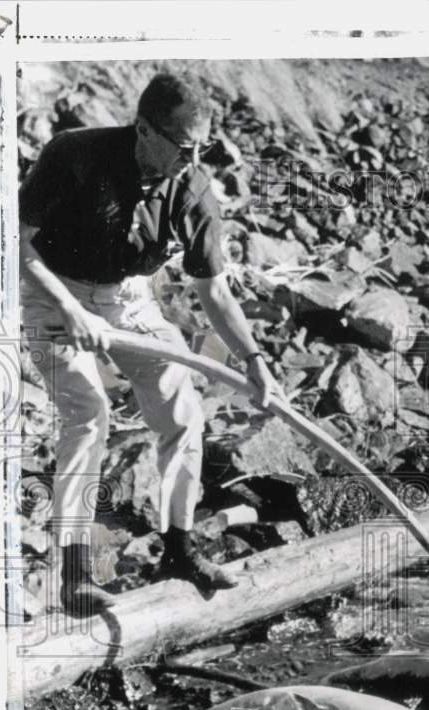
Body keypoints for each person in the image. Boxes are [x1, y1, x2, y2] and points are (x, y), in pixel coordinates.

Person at [19, 72, 281, 616]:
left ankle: (180, 548)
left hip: (130, 300)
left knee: (182, 412)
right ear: (144, 129)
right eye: (183, 147)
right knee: (88, 413)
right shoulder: (75, 155)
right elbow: (8, 241)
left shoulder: (193, 190)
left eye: (202, 147)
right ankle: (72, 570)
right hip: (52, 291)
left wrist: (255, 362)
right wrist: (68, 309)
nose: (192, 159)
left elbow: (214, 291)